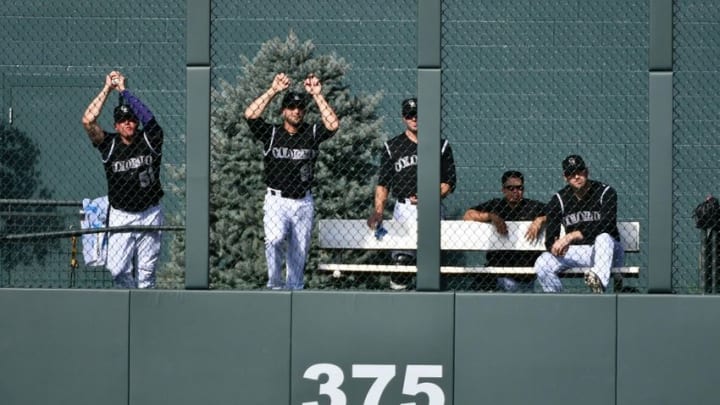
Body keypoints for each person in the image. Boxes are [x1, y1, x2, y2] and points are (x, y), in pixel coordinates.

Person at [244, 72, 339, 290]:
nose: (296, 111)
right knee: (275, 239)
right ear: (283, 111)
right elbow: (250, 115)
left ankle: (294, 291)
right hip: (276, 200)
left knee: (299, 254)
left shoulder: (311, 132)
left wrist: (317, 95)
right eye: (291, 107)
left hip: (303, 202)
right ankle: (274, 284)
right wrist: (274, 90)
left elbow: (333, 125)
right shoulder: (271, 133)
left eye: (300, 108)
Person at [81, 71, 164, 288]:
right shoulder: (109, 144)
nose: (128, 123)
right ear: (116, 126)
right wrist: (107, 89)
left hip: (149, 213)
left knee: (147, 275)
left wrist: (124, 92)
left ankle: (145, 315)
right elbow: (88, 120)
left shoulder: (150, 140)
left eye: (131, 120)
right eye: (122, 121)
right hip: (121, 215)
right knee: (117, 270)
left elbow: (150, 119)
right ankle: (131, 301)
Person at [366, 98, 457, 289]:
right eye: (409, 115)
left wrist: (430, 196)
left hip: (431, 208)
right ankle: (401, 303)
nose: (414, 118)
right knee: (401, 262)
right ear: (403, 118)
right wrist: (379, 211)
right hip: (404, 208)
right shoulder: (393, 146)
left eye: (417, 115)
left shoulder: (440, 145)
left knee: (431, 262)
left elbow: (448, 183)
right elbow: (383, 184)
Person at [534, 155, 624, 293]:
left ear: (586, 171)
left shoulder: (605, 192)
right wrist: (554, 246)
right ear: (565, 177)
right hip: (582, 252)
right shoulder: (559, 199)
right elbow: (551, 235)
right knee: (542, 262)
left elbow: (607, 225)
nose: (576, 176)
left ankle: (598, 284)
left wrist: (572, 236)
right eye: (571, 173)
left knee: (603, 238)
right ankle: (557, 301)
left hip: (609, 251)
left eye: (579, 171)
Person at [463, 170, 546, 292]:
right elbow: (467, 215)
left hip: (522, 277)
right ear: (503, 190)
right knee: (478, 283)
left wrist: (540, 219)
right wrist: (490, 216)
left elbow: (555, 213)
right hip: (496, 273)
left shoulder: (532, 207)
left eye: (519, 188)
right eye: (510, 188)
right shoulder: (496, 205)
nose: (515, 192)